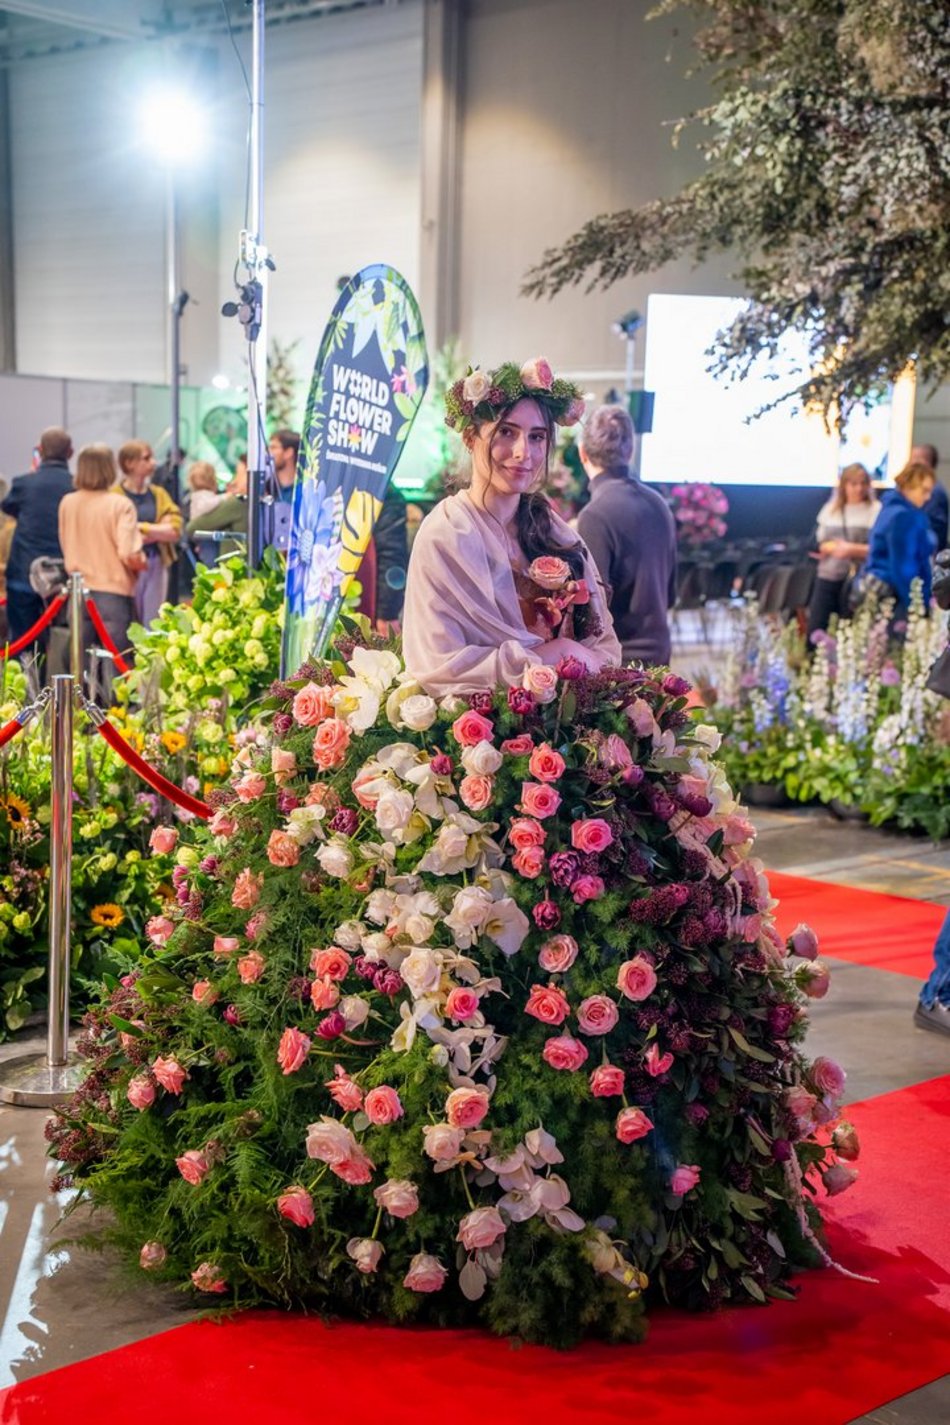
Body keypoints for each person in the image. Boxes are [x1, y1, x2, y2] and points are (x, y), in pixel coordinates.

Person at [403, 360, 621, 695]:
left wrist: (572, 660)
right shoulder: (445, 535)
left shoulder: (554, 530)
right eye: (506, 432)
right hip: (478, 735)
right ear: (470, 438)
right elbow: (436, 666)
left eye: (537, 437)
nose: (524, 453)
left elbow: (603, 645)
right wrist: (551, 656)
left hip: (566, 732)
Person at [575, 403, 677, 666]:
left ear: (582, 453)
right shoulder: (659, 504)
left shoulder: (594, 515)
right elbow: (671, 593)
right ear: (630, 451)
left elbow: (593, 614)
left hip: (620, 662)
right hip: (659, 653)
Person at [58, 444, 146, 695]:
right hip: (113, 593)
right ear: (110, 469)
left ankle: (81, 720)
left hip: (77, 593)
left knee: (80, 666)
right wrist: (143, 563)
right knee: (116, 666)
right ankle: (115, 724)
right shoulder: (120, 504)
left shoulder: (68, 502)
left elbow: (65, 543)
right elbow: (128, 553)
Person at [0, 427, 74, 654]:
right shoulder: (75, 486)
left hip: (23, 573)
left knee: (23, 642)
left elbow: (8, 507)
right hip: (65, 577)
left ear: (40, 451)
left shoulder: (23, 483)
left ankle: (26, 688)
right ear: (70, 453)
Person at [806, 463, 881, 638]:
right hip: (828, 576)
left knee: (851, 632)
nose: (859, 489)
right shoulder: (831, 509)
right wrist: (829, 547)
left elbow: (880, 548)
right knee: (817, 630)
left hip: (858, 580)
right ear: (844, 485)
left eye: (863, 483)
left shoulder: (875, 509)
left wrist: (851, 550)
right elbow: (813, 542)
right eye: (853, 484)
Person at [116, 440, 182, 627]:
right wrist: (158, 529)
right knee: (129, 621)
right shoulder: (115, 495)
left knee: (153, 622)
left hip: (156, 561)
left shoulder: (159, 494)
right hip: (127, 565)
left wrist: (140, 527)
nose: (153, 463)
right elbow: (117, 533)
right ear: (129, 463)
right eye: (146, 458)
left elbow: (174, 529)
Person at [861, 461, 935, 616]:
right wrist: (918, 607)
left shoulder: (891, 509)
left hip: (884, 591)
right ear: (909, 486)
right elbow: (903, 566)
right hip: (897, 597)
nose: (928, 497)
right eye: (924, 491)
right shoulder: (904, 516)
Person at [185, 459, 247, 559]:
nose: (234, 481)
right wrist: (226, 497)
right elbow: (192, 526)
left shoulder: (237, 503)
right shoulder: (204, 498)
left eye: (238, 474)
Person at [184, 461, 224, 569]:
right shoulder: (203, 496)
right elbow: (207, 506)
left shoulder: (194, 496)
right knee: (211, 564)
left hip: (202, 539)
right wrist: (224, 498)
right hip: (206, 539)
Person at [913, 443, 947, 552]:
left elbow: (932, 531)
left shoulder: (934, 492)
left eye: (916, 459)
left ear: (928, 463)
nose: (911, 464)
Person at [268, 429, 300, 504]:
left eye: (273, 448)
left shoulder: (303, 489)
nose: (268, 452)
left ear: (289, 453)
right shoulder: (266, 486)